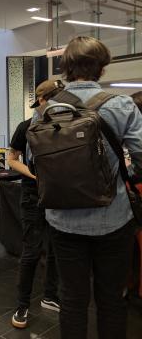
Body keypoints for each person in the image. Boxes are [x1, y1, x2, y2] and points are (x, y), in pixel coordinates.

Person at [31, 37, 142, 339]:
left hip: (63, 220)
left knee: (72, 299)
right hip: (114, 218)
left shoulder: (44, 110)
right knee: (110, 299)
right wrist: (123, 170)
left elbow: (34, 161)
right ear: (102, 68)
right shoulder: (121, 105)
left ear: (65, 67)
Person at [9, 80, 63, 329]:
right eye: (54, 97)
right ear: (42, 100)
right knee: (31, 251)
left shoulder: (63, 125)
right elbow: (12, 159)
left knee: (56, 248)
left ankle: (50, 295)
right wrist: (32, 175)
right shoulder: (25, 127)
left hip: (60, 194)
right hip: (33, 194)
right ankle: (22, 305)